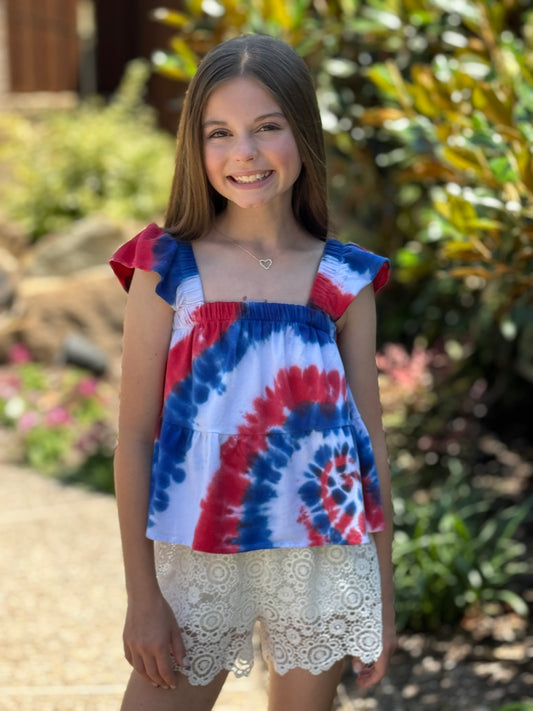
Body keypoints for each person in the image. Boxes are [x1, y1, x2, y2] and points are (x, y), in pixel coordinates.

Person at [110, 33, 396, 711]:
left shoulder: (342, 278)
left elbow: (369, 445)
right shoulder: (166, 265)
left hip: (321, 557)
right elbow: (135, 438)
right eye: (220, 132)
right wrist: (142, 595)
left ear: (302, 132)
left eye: (267, 126)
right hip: (197, 550)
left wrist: (378, 594)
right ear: (195, 145)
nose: (244, 152)